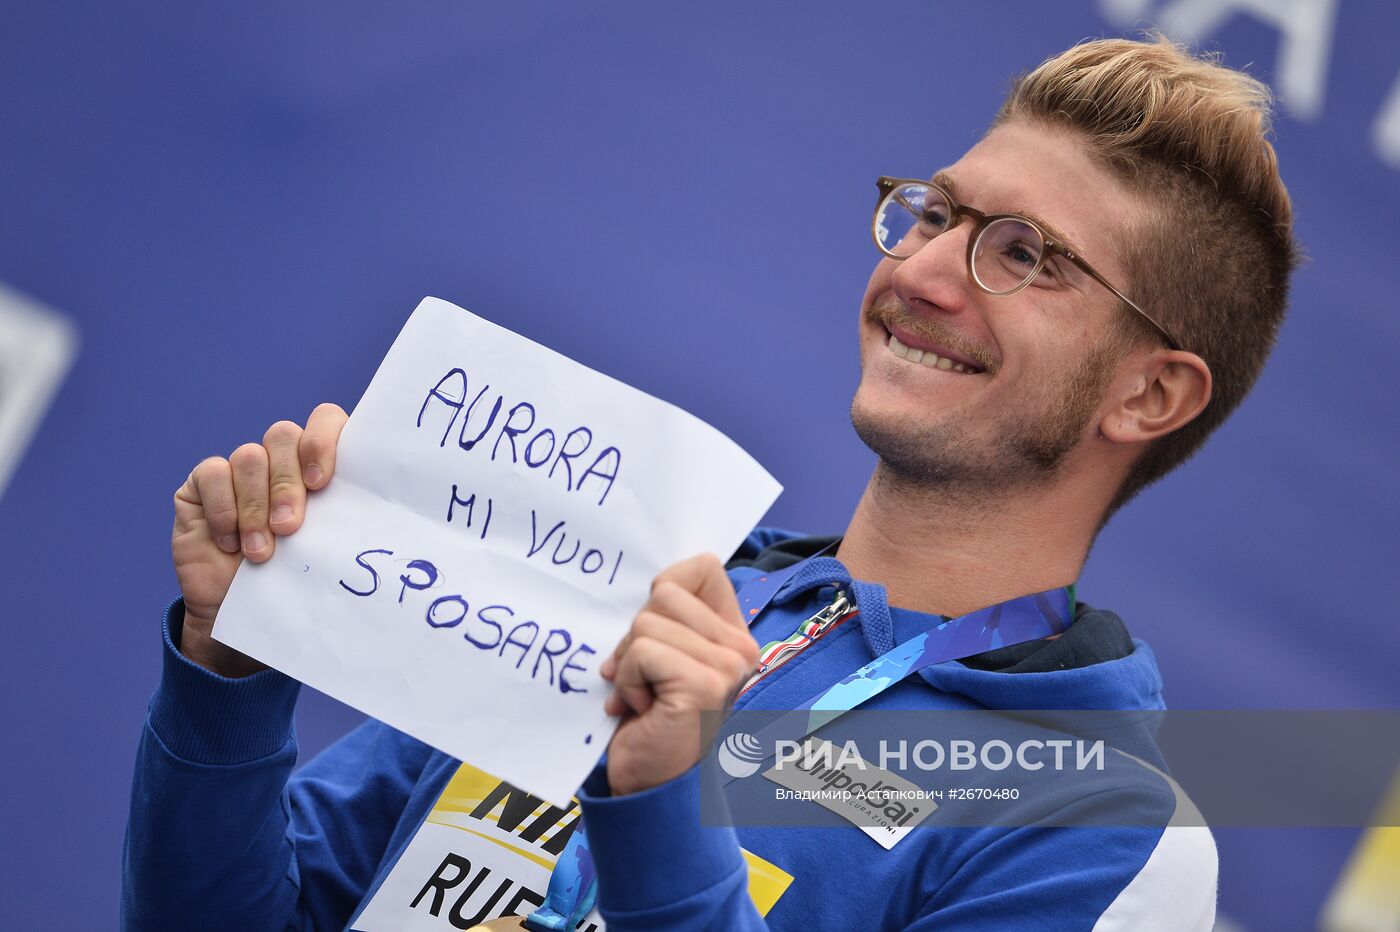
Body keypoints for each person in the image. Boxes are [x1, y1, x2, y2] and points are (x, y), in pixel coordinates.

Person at [123, 35, 1297, 931]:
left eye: (1022, 254)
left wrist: (663, 817)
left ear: (1147, 394)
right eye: (936, 214)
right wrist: (231, 667)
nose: (925, 271)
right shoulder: (639, 577)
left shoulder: (1101, 827)